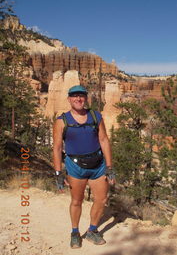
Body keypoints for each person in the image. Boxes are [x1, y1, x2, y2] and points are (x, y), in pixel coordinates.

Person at [53, 85, 115, 248]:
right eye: (74, 96)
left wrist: (109, 167)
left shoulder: (95, 116)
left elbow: (104, 140)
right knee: (76, 201)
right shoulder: (61, 121)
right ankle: (75, 232)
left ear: (86, 98)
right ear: (69, 99)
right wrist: (58, 172)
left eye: (81, 96)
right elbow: (57, 147)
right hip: (75, 167)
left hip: (98, 165)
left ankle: (92, 230)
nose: (78, 99)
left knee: (101, 199)